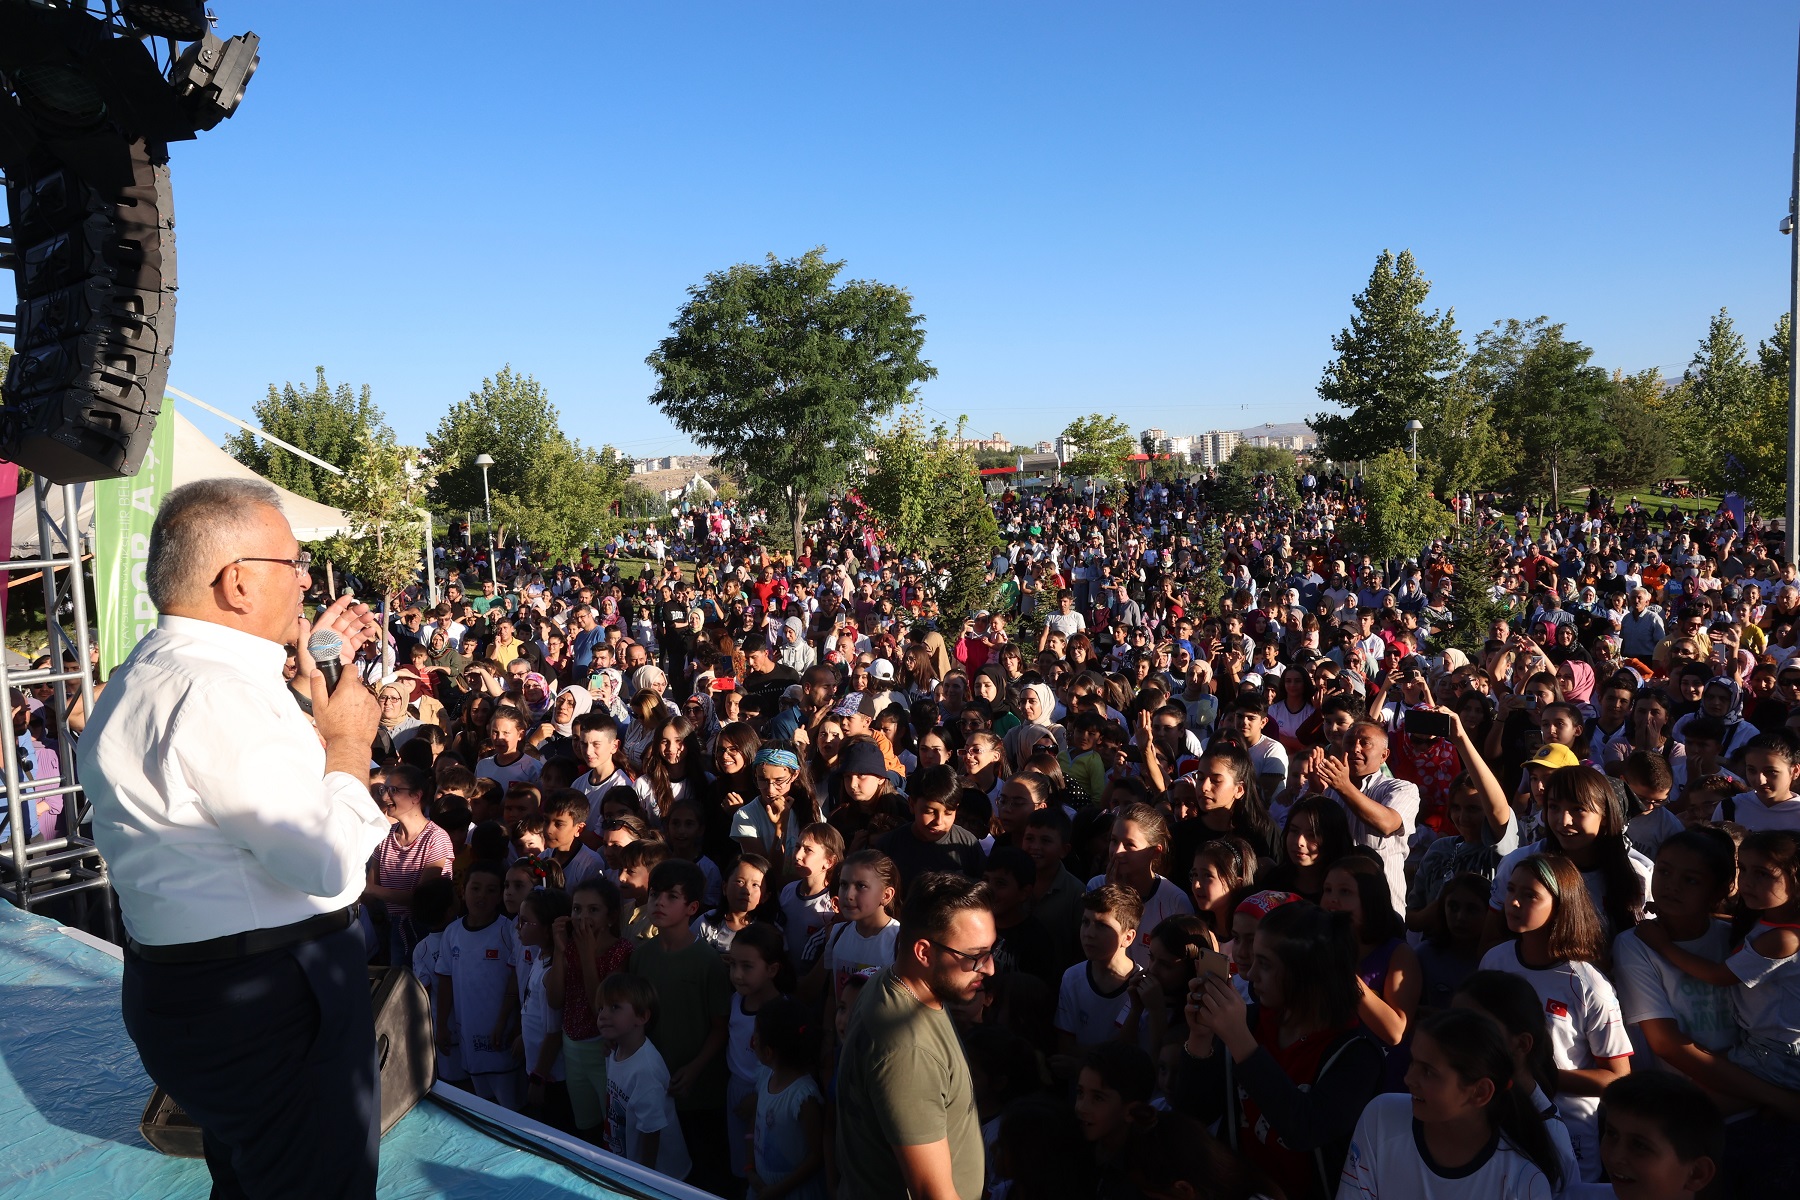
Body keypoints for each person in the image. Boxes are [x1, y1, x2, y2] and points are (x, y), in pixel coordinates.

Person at [84, 478, 388, 1199]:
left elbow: (229, 789)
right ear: (238, 582)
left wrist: (311, 675)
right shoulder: (221, 695)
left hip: (188, 993)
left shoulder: (144, 671)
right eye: (295, 564)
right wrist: (349, 743)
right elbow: (325, 860)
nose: (307, 580)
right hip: (271, 1001)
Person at [835, 872, 995, 1200]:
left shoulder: (888, 981)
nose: (989, 968)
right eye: (975, 957)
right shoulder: (908, 1052)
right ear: (924, 952)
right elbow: (931, 1193)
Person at [1337, 1007, 1564, 1199]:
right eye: (1413, 1062)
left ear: (1481, 1092)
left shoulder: (1523, 1182)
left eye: (1428, 1071)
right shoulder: (1381, 1116)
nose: (1409, 1079)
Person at [597, 973, 692, 1179]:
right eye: (601, 1008)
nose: (603, 1015)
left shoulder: (646, 1070)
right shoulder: (613, 1051)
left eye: (614, 1007)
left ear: (642, 1017)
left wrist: (643, 1178)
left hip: (660, 1177)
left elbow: (652, 1131)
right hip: (625, 1161)